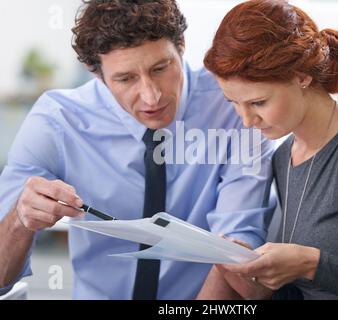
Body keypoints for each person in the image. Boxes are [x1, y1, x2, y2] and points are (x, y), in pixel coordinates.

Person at [0, 0, 274, 300]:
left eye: (161, 68)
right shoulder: (57, 121)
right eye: (126, 78)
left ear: (181, 46)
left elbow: (237, 250)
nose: (151, 95)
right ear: (96, 73)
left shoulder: (233, 106)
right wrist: (20, 220)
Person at [197, 0, 338, 299]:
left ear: (302, 76)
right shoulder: (283, 157)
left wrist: (313, 265)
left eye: (258, 102)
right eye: (234, 103)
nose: (246, 121)